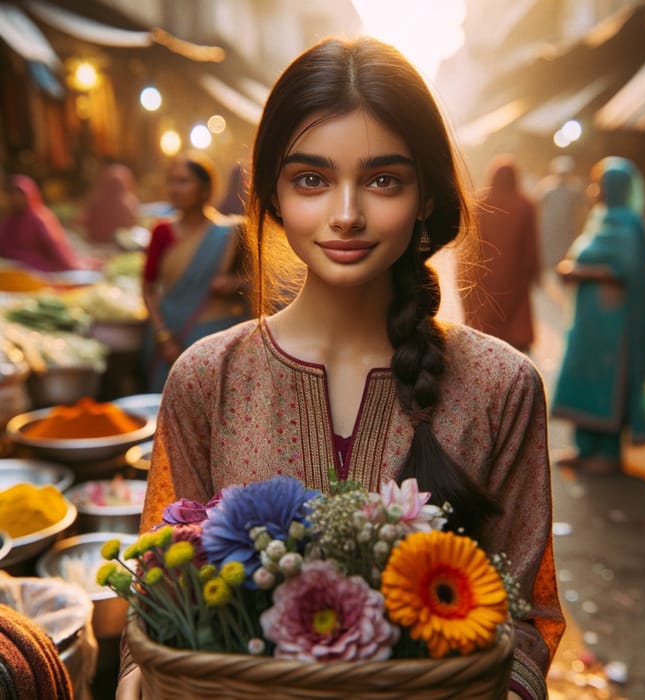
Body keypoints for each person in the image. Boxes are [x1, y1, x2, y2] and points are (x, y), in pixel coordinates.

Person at [119, 37, 564, 700]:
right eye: (312, 180)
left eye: (384, 179)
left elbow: (525, 628)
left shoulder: (502, 386)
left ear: (425, 197)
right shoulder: (207, 377)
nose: (347, 214)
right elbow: (156, 608)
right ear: (272, 193)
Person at [552, 156, 645, 474]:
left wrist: (581, 272)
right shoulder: (601, 219)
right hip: (590, 322)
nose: (593, 189)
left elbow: (625, 268)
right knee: (584, 377)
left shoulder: (628, 223)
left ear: (613, 187)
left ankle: (608, 454)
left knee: (607, 381)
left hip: (614, 325)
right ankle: (585, 449)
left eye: (599, 183)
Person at [140, 153, 252, 392]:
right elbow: (148, 288)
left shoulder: (231, 233)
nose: (174, 188)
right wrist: (163, 337)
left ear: (205, 188)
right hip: (168, 335)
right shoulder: (162, 232)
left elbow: (258, 283)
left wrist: (233, 284)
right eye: (171, 180)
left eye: (183, 181)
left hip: (217, 337)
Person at [460, 154, 541, 353]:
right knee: (514, 325)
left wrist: (464, 277)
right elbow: (531, 244)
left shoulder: (480, 205)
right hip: (515, 276)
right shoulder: (525, 205)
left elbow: (469, 246)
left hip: (484, 275)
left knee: (486, 324)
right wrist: (534, 272)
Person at [0, 174, 84, 272]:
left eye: (19, 194)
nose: (15, 198)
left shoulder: (40, 218)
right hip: (12, 270)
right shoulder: (10, 220)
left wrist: (71, 265)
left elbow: (55, 247)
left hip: (38, 270)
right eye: (12, 194)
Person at [533, 155, 588, 271]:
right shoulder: (547, 187)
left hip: (566, 228)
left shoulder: (574, 188)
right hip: (549, 228)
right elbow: (536, 204)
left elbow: (583, 206)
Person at [79, 163, 140, 244]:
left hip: (96, 242)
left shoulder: (95, 200)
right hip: (116, 243)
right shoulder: (129, 202)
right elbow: (132, 224)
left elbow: (82, 221)